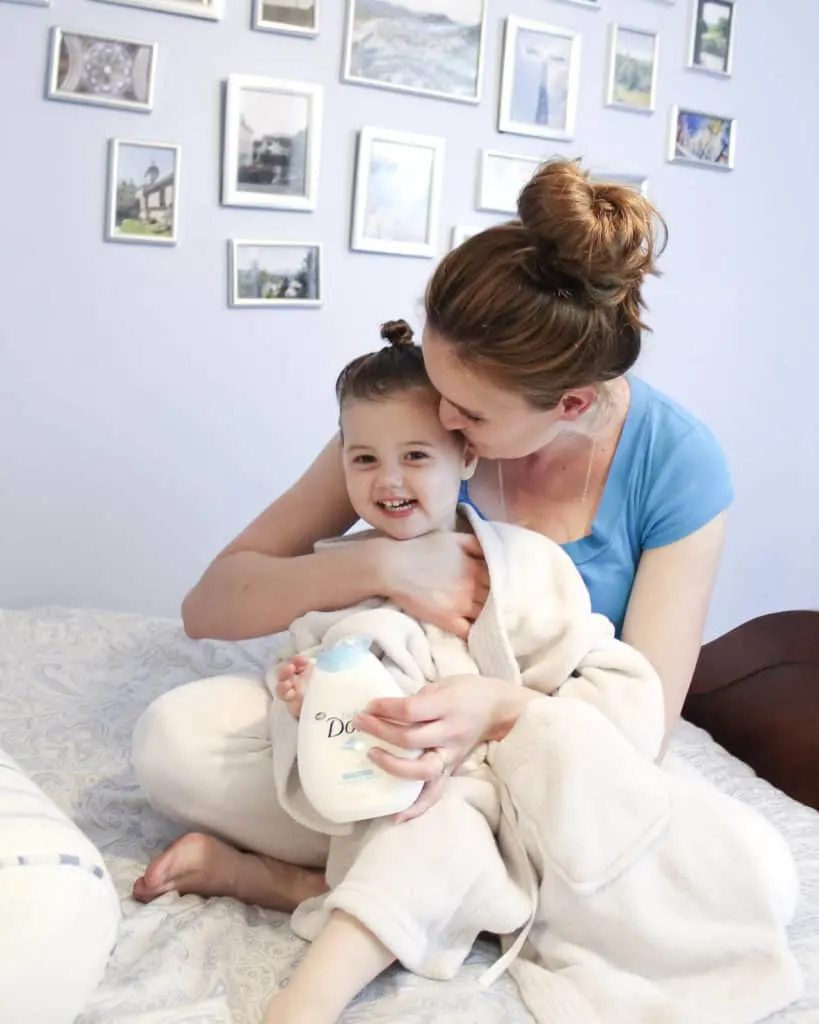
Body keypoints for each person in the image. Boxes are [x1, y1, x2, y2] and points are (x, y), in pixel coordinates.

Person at [131, 157, 732, 934]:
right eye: (437, 390)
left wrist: (494, 713)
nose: (440, 424)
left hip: (526, 771)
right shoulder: (423, 415)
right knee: (174, 741)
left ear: (571, 402)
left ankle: (300, 881)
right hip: (387, 736)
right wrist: (383, 563)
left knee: (648, 859)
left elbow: (636, 733)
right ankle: (422, 884)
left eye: (468, 416)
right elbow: (208, 605)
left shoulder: (676, 464)